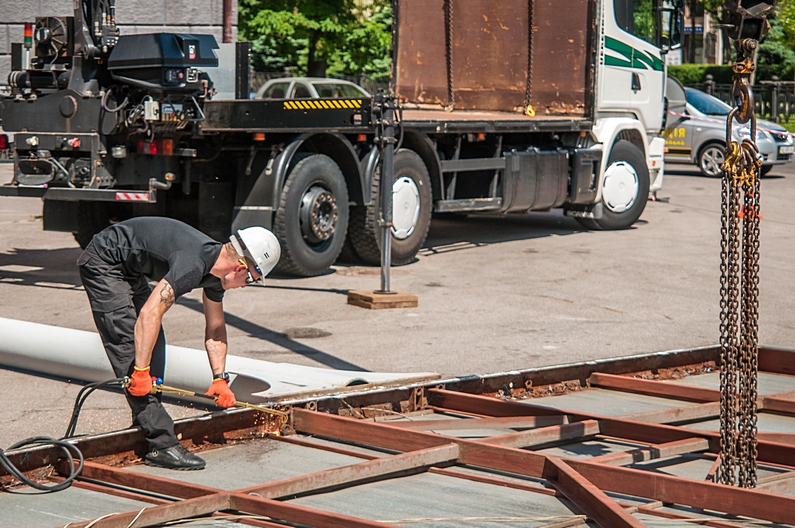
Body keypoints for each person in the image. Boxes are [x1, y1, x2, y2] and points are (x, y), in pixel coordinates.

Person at [77, 217, 280, 470]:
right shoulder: (193, 264)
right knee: (130, 347)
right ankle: (161, 443)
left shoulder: (216, 275)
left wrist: (220, 378)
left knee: (154, 346)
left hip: (129, 268)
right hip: (103, 261)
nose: (245, 286)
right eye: (251, 279)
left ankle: (145, 426)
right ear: (240, 268)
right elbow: (149, 314)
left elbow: (216, 328)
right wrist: (140, 372)